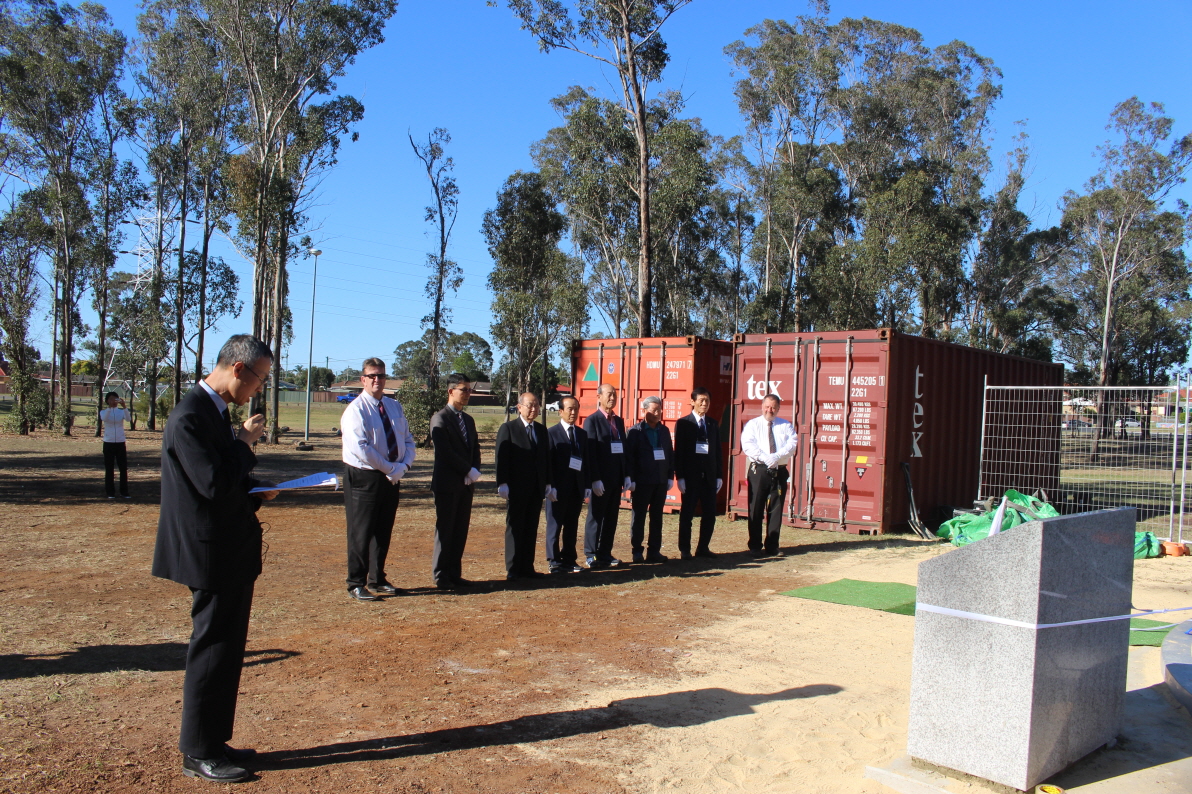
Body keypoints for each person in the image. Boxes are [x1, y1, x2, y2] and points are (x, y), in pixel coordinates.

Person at [151, 334, 279, 783]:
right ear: (238, 369)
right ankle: (198, 750)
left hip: (228, 547)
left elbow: (222, 482)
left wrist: (255, 491)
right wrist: (244, 444)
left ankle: (214, 739)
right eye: (259, 378)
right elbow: (210, 484)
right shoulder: (190, 415)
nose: (258, 389)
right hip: (208, 552)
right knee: (211, 649)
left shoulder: (213, 411)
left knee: (227, 649)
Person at [340, 358, 416, 602]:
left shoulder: (394, 407)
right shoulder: (356, 410)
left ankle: (377, 578)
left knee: (383, 530)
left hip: (392, 475)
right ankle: (356, 583)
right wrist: (389, 468)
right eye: (372, 375)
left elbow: (408, 440)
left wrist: (402, 467)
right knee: (361, 531)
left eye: (381, 376)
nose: (377, 380)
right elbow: (361, 448)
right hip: (365, 477)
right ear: (363, 379)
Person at [429, 373, 482, 589]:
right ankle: (441, 575)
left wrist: (475, 470)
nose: (468, 393)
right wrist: (467, 470)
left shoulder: (468, 419)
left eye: (469, 390)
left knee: (460, 529)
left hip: (466, 484)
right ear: (451, 391)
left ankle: (454, 573)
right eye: (464, 390)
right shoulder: (440, 418)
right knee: (446, 529)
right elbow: (445, 452)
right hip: (447, 484)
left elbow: (475, 448)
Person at [495, 392, 552, 580]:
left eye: (536, 405)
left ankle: (527, 566)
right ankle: (513, 568)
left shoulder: (542, 430)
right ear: (519, 407)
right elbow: (502, 458)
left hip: (536, 488)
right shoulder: (509, 428)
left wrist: (548, 483)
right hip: (516, 488)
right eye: (530, 405)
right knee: (515, 527)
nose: (534, 409)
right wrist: (502, 482)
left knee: (531, 527)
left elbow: (545, 459)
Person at [740, 394, 798, 557]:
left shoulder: (785, 425)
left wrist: (777, 456)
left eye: (773, 407)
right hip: (759, 470)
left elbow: (792, 444)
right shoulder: (753, 425)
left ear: (778, 408)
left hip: (778, 470)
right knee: (756, 509)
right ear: (762, 406)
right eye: (767, 406)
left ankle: (772, 546)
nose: (769, 410)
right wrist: (765, 457)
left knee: (776, 509)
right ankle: (755, 546)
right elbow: (747, 445)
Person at [583, 383, 630, 569]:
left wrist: (626, 475)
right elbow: (590, 453)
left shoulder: (618, 421)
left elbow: (623, 449)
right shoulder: (592, 420)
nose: (612, 398)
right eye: (609, 394)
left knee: (611, 517)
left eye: (615, 395)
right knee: (596, 516)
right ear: (599, 397)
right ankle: (591, 554)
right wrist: (594, 478)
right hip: (600, 480)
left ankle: (605, 553)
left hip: (616, 479)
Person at [674, 386, 723, 559]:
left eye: (707, 400)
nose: (704, 403)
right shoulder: (684, 423)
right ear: (692, 402)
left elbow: (717, 451)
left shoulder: (712, 424)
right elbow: (678, 452)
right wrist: (679, 476)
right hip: (690, 478)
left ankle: (703, 548)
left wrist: (719, 475)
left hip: (709, 478)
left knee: (710, 514)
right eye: (701, 400)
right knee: (687, 514)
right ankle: (685, 549)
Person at [545, 396, 592, 574]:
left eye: (576, 409)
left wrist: (586, 484)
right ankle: (554, 561)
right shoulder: (551, 433)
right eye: (570, 409)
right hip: (557, 489)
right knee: (554, 525)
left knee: (571, 526)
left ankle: (569, 559)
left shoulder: (581, 434)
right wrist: (550, 485)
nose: (573, 412)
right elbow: (548, 462)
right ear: (561, 411)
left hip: (576, 488)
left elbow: (585, 461)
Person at [625, 395, 674, 563]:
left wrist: (669, 476)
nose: (657, 413)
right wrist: (630, 479)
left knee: (657, 517)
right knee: (639, 517)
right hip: (641, 482)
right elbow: (629, 458)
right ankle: (637, 551)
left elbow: (669, 454)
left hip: (660, 481)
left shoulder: (664, 431)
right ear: (644, 411)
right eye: (653, 410)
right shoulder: (635, 431)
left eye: (659, 410)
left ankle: (654, 551)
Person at [99, 391, 130, 499]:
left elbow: (128, 419)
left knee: (123, 468)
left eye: (115, 399)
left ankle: (124, 491)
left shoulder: (120, 412)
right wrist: (109, 407)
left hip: (120, 442)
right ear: (107, 400)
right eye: (111, 399)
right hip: (108, 442)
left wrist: (124, 406)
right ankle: (110, 492)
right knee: (109, 468)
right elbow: (105, 419)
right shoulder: (103, 412)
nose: (113, 401)